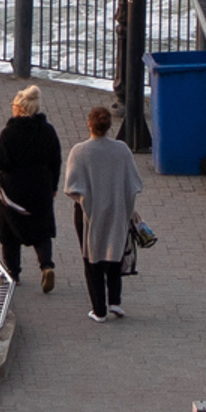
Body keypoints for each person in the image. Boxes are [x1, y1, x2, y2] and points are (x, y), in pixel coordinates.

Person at [60, 103, 144, 322]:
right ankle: (115, 301)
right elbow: (133, 184)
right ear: (109, 126)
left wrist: (84, 201)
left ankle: (99, 309)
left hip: (89, 212)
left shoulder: (79, 151)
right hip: (117, 208)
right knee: (115, 250)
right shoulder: (122, 150)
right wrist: (129, 209)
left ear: (89, 124)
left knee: (92, 256)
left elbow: (71, 188)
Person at [0, 83, 62, 292]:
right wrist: (53, 186)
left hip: (13, 190)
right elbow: (56, 160)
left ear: (19, 108)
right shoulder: (48, 131)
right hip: (41, 187)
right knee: (42, 230)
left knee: (9, 233)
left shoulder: (9, 133)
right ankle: (46, 265)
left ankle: (13, 273)